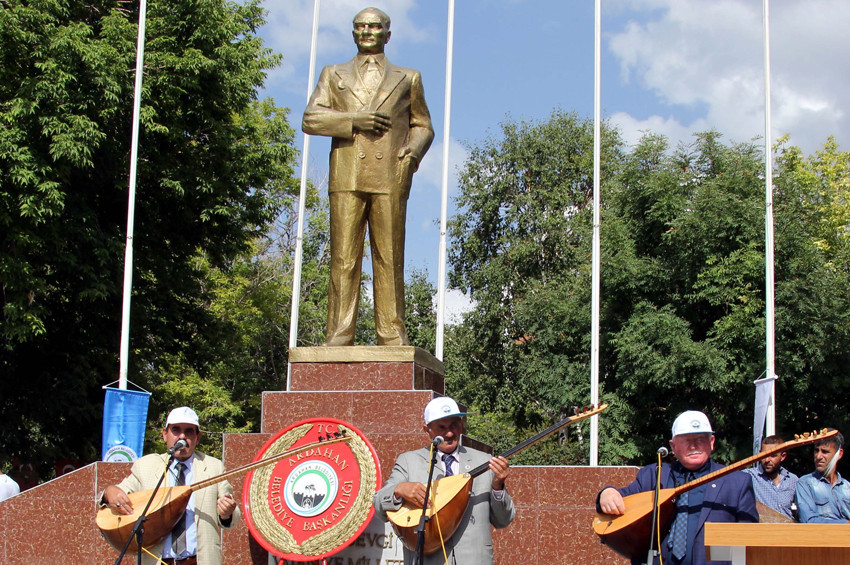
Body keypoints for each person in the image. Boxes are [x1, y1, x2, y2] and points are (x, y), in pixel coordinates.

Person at [302, 7, 434, 346]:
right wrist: (353, 120)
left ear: (387, 34)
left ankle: (391, 333)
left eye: (374, 26)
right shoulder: (334, 73)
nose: (366, 31)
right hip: (347, 173)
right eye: (360, 26)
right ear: (353, 32)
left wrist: (411, 154)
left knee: (389, 257)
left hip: (390, 173)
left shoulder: (408, 78)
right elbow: (311, 119)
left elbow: (423, 125)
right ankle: (339, 333)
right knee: (344, 258)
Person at [597, 410, 758, 565]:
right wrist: (606, 493)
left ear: (712, 442)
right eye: (686, 440)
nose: (694, 446)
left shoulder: (736, 482)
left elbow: (748, 544)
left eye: (701, 439)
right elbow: (621, 499)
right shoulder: (654, 475)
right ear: (673, 446)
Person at [373, 397, 515, 564]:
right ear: (427, 429)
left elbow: (503, 520)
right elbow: (378, 503)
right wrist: (399, 490)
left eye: (454, 425)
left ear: (461, 425)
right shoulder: (409, 461)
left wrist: (498, 487)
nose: (449, 433)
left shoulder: (484, 462)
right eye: (441, 427)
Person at [101, 407, 239, 565]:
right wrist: (109, 492)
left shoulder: (214, 467)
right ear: (164, 434)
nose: (182, 436)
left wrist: (227, 513)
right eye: (176, 430)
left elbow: (234, 515)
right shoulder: (146, 466)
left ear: (198, 437)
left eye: (189, 431)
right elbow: (117, 493)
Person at [795, 429, 850, 523]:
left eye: (825, 452)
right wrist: (845, 524)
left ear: (839, 454)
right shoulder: (805, 483)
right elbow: (808, 521)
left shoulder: (847, 487)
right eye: (816, 451)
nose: (818, 456)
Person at [743, 435, 798, 519]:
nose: (767, 460)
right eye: (764, 455)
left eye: (773, 455)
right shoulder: (748, 476)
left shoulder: (792, 480)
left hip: (788, 526)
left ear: (783, 456)